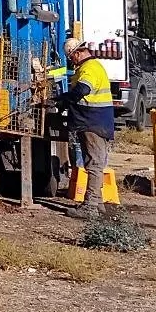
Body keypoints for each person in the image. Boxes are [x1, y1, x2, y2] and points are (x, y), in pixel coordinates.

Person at [64, 40, 116, 216]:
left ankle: (90, 206)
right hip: (95, 122)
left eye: (71, 58)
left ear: (77, 53)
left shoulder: (90, 68)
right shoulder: (92, 67)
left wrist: (66, 99)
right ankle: (97, 203)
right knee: (93, 162)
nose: (72, 61)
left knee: (94, 163)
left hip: (92, 122)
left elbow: (83, 89)